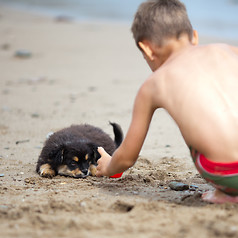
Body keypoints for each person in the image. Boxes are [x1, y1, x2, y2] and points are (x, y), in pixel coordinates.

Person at [96, 0, 238, 203]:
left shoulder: (154, 85)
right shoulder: (225, 50)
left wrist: (109, 166)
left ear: (147, 49)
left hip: (229, 174)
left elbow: (127, 157)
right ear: (194, 37)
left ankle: (227, 193)